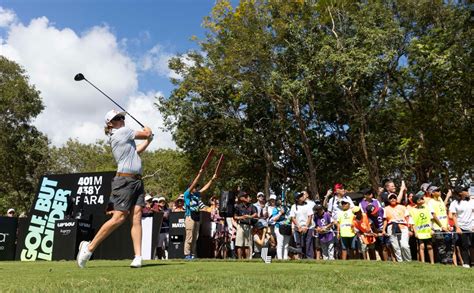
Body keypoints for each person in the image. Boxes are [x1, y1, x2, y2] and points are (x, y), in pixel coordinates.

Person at [76, 109, 153, 269]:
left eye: (122, 117)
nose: (122, 119)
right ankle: (88, 249)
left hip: (137, 181)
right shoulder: (122, 132)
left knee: (137, 217)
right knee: (119, 218)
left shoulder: (124, 136)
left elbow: (136, 151)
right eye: (118, 118)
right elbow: (145, 133)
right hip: (124, 181)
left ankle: (138, 257)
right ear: (110, 123)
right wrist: (148, 130)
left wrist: (149, 140)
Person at [183, 170, 217, 260]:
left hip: (197, 217)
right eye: (195, 187)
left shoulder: (197, 195)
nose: (196, 188)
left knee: (195, 237)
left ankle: (193, 254)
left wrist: (212, 180)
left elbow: (205, 188)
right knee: (189, 237)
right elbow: (194, 182)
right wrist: (199, 174)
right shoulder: (186, 194)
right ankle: (187, 254)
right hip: (189, 216)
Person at [409, 191, 447, 264]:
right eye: (421, 198)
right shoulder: (412, 211)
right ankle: (423, 262)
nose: (423, 199)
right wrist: (416, 232)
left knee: (429, 246)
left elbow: (431, 219)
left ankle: (432, 262)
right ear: (417, 201)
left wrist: (432, 229)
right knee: (422, 247)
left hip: (428, 231)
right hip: (420, 232)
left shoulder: (427, 208)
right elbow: (412, 223)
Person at [449, 186, 474, 268]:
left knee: (472, 245)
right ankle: (466, 263)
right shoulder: (454, 203)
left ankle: (472, 262)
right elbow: (453, 216)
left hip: (472, 227)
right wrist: (458, 227)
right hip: (461, 227)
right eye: (465, 190)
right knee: (464, 245)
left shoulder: (471, 201)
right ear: (460, 193)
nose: (467, 191)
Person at [426, 185, 452, 264]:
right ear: (433, 193)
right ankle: (443, 262)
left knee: (449, 244)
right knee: (441, 246)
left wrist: (447, 225)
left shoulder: (440, 199)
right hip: (438, 227)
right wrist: (441, 226)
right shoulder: (430, 202)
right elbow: (434, 216)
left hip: (446, 227)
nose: (439, 192)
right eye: (437, 191)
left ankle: (449, 261)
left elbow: (444, 212)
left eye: (439, 190)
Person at [234, 191, 258, 259]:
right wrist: (242, 217)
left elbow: (255, 214)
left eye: (247, 197)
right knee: (239, 244)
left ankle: (247, 259)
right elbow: (235, 217)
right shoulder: (238, 206)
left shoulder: (251, 206)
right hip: (240, 226)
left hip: (249, 226)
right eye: (245, 197)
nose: (247, 198)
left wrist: (249, 217)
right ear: (241, 198)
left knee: (247, 244)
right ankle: (239, 259)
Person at [290, 192, 314, 259]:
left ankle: (310, 258)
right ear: (297, 199)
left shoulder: (308, 205)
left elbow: (310, 216)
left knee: (308, 243)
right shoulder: (293, 206)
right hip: (298, 228)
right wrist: (299, 226)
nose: (303, 197)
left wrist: (306, 226)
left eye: (302, 195)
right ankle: (300, 258)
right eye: (300, 196)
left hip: (308, 227)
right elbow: (293, 218)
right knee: (298, 244)